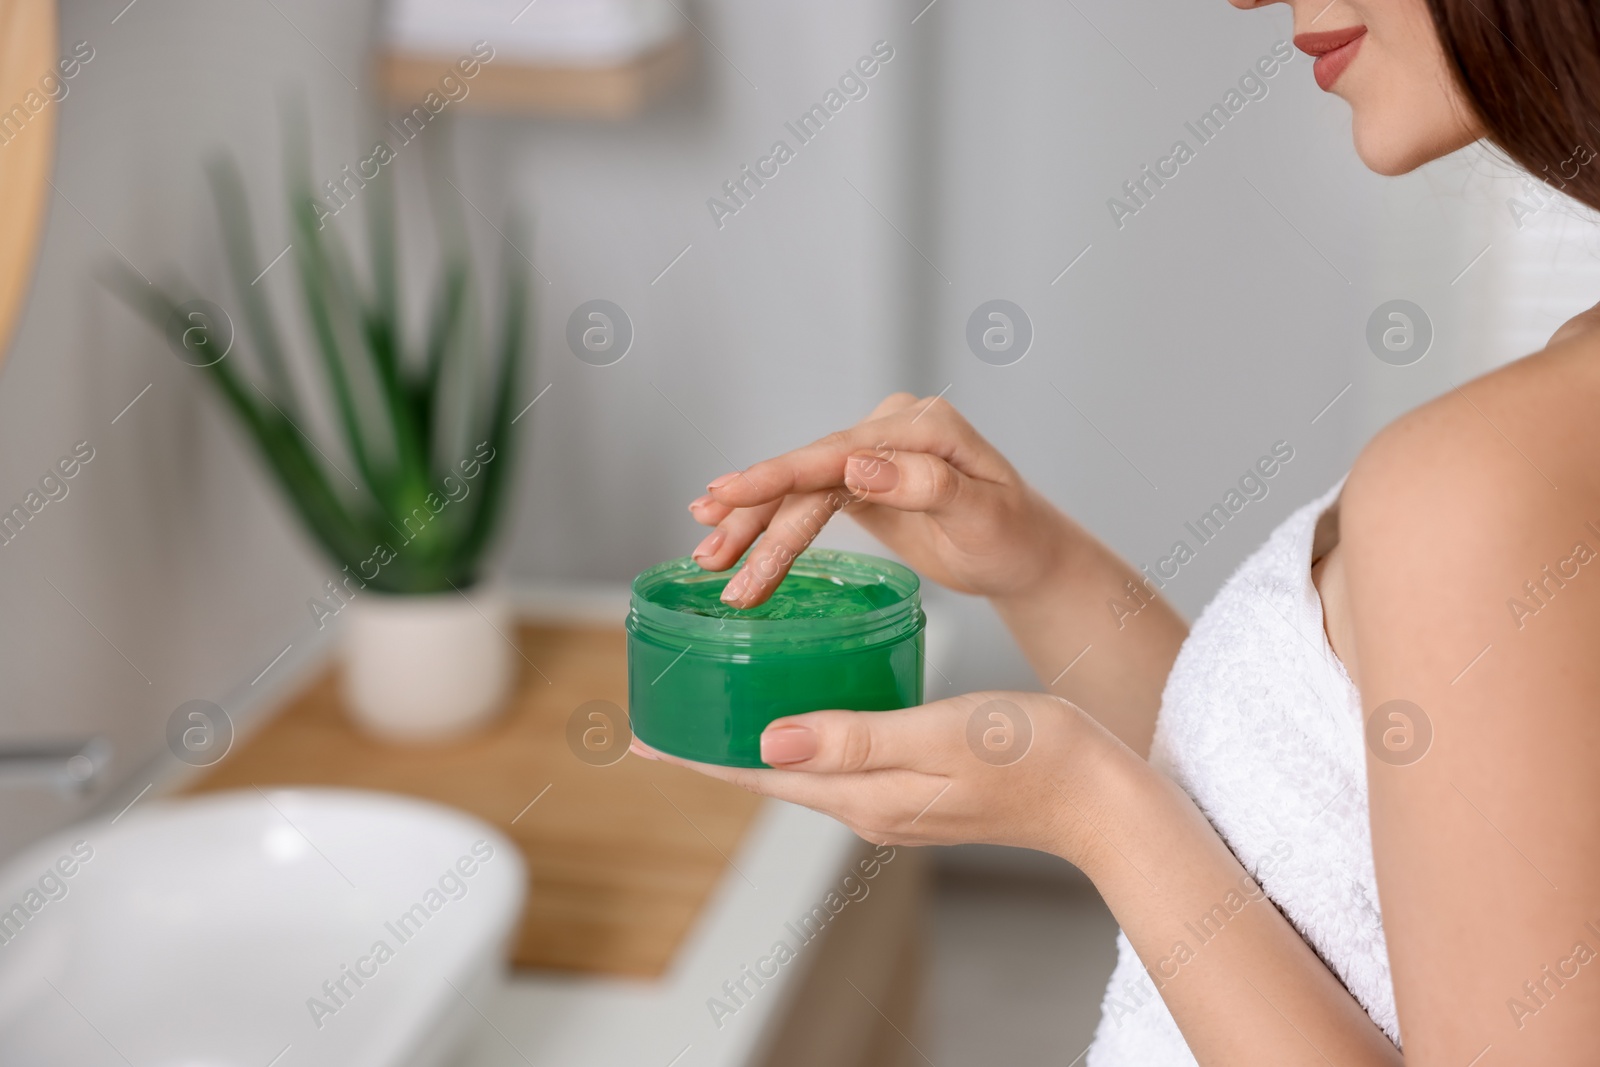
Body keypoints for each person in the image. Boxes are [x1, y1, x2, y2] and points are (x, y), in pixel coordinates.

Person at [630, 0, 1600, 1061]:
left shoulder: (1485, 480)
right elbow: (1306, 820)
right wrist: (1034, 565)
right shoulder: (1546, 417)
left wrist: (1091, 806)